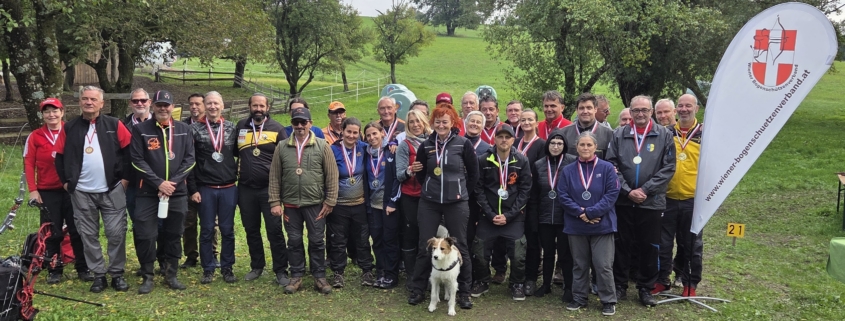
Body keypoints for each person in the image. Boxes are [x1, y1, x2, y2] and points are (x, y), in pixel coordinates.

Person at [55, 85, 132, 293]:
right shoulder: (69, 127)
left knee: (116, 233)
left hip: (112, 189)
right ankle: (98, 274)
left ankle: (116, 273)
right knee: (88, 235)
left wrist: (125, 180)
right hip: (81, 192)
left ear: (101, 103)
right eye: (85, 99)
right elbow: (59, 157)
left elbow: (128, 153)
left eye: (93, 99)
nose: (89, 102)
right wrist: (66, 182)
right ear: (80, 102)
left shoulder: (114, 124)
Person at [407, 105, 479, 309]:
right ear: (432, 123)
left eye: (444, 121)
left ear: (453, 123)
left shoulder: (463, 144)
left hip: (456, 203)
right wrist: (430, 188)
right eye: (437, 121)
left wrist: (461, 191)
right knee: (425, 245)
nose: (440, 125)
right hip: (429, 203)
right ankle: (418, 289)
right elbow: (420, 171)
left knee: (461, 246)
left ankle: (464, 292)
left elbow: (473, 174)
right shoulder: (426, 146)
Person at [606, 95, 675, 306]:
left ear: (651, 111)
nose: (640, 114)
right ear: (631, 111)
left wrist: (645, 189)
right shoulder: (619, 134)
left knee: (650, 245)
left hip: (651, 201)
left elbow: (668, 168)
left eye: (644, 110)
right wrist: (627, 191)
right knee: (621, 244)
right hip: (624, 201)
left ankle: (646, 288)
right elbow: (611, 165)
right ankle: (619, 285)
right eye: (636, 110)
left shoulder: (664, 135)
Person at [129, 90, 195, 293]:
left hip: (177, 193)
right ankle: (147, 275)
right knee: (146, 234)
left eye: (166, 105)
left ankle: (171, 274)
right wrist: (158, 183)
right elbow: (137, 160)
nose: (163, 108)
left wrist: (171, 184)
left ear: (173, 106)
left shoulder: (184, 129)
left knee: (174, 233)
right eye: (159, 105)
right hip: (148, 193)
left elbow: (190, 159)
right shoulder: (141, 130)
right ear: (153, 106)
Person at [269, 107, 338, 294]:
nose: (299, 126)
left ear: (310, 124)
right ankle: (296, 276)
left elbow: (332, 175)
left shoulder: (323, 146)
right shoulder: (282, 146)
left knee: (316, 241)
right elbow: (275, 176)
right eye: (296, 122)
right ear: (291, 124)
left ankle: (319, 276)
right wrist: (275, 202)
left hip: (315, 204)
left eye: (303, 122)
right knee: (294, 240)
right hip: (291, 205)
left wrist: (330, 201)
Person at [24, 98, 91, 284]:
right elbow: (29, 164)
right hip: (47, 190)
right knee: (52, 231)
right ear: (42, 115)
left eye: (55, 111)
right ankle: (54, 268)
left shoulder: (72, 131)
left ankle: (82, 267)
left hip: (71, 188)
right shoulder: (35, 136)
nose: (51, 115)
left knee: (77, 229)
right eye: (47, 112)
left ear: (62, 112)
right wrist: (33, 190)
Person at [559, 132, 620, 316]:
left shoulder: (607, 168)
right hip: (576, 225)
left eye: (589, 145)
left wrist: (591, 212)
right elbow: (563, 195)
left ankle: (608, 300)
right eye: (582, 145)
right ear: (576, 147)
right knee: (579, 264)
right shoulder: (568, 170)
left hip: (602, 224)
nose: (585, 148)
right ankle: (579, 297)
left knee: (603, 265)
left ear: (596, 147)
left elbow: (612, 194)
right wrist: (581, 213)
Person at [470, 124, 532, 301]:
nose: (504, 140)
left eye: (508, 137)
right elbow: (478, 189)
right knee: (480, 252)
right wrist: (490, 214)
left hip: (513, 217)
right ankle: (482, 280)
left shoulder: (521, 161)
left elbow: (525, 190)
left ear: (513, 140)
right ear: (494, 139)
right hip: (488, 217)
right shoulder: (483, 160)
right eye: (500, 137)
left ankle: (517, 283)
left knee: (519, 254)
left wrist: (509, 215)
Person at [236, 93, 289, 285]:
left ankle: (281, 270)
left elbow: (286, 159)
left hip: (270, 190)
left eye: (261, 106)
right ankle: (256, 266)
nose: (258, 109)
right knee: (251, 229)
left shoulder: (278, 129)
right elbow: (235, 153)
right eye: (255, 105)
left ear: (267, 108)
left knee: (274, 230)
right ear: (250, 106)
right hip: (246, 189)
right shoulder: (241, 126)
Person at [655, 94, 704, 297]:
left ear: (696, 108)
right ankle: (661, 280)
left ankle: (689, 283)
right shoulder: (666, 133)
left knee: (691, 243)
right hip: (667, 197)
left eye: (688, 106)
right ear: (676, 110)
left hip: (694, 198)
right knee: (663, 242)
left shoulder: (706, 133)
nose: (684, 109)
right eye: (681, 106)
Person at [188, 91, 239, 284]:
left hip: (228, 187)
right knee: (207, 229)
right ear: (204, 106)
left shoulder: (232, 128)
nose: (212, 107)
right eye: (209, 103)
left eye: (216, 103)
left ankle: (227, 267)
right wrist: (193, 189)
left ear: (222, 105)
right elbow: (189, 161)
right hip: (205, 188)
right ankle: (208, 268)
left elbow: (238, 154)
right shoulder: (194, 130)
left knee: (227, 230)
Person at [528, 130, 577, 298]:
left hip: (565, 217)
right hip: (545, 217)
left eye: (559, 144)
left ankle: (568, 287)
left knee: (565, 254)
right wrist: (534, 220)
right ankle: (546, 285)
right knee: (548, 253)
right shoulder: (539, 164)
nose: (556, 147)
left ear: (565, 146)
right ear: (547, 145)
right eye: (553, 143)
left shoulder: (572, 162)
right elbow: (534, 195)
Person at [328, 117, 376, 288]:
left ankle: (367, 271)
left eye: (356, 132)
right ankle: (338, 273)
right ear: (342, 131)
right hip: (339, 205)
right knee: (338, 240)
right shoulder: (332, 149)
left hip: (360, 203)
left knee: (362, 239)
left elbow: (379, 146)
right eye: (349, 131)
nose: (352, 135)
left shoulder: (364, 148)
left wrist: (392, 143)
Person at [181, 93, 219, 268]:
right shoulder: (183, 126)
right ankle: (191, 255)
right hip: (188, 181)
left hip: (208, 181)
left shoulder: (213, 125)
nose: (194, 107)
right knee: (188, 221)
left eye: (198, 104)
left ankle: (212, 253)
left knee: (211, 222)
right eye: (191, 104)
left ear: (205, 105)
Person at [395, 109, 432, 289]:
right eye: (411, 122)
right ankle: (412, 276)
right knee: (410, 235)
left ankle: (428, 274)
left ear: (424, 121)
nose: (415, 125)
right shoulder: (404, 145)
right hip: (410, 197)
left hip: (431, 198)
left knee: (427, 237)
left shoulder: (433, 142)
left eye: (418, 121)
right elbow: (399, 175)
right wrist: (411, 169)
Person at [363, 121, 401, 289]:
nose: (372, 138)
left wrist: (393, 200)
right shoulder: (365, 153)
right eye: (368, 135)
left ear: (382, 134)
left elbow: (397, 178)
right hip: (373, 205)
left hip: (389, 205)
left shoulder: (391, 151)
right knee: (377, 240)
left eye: (375, 134)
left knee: (390, 240)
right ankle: (381, 272)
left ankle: (392, 275)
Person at [515, 109, 546, 296]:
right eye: (523, 119)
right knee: (518, 239)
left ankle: (531, 278)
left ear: (536, 123)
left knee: (533, 240)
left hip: (533, 199)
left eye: (530, 119)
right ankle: (517, 277)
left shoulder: (541, 144)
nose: (526, 122)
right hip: (515, 198)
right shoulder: (515, 142)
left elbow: (542, 171)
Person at [123, 88, 153, 222]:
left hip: (157, 182)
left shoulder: (163, 124)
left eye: (143, 100)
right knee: (137, 222)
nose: (139, 103)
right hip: (133, 183)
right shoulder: (123, 126)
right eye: (135, 101)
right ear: (130, 103)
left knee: (162, 225)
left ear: (149, 102)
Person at [463, 110, 490, 254]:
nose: (474, 124)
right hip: (459, 195)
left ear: (482, 126)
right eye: (472, 121)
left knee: (475, 233)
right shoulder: (456, 143)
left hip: (477, 197)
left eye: (478, 122)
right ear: (466, 123)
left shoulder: (487, 149)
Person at [560, 93, 614, 159]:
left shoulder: (609, 134)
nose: (585, 111)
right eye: (581, 108)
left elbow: (612, 161)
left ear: (595, 109)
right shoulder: (564, 133)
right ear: (576, 110)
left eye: (589, 108)